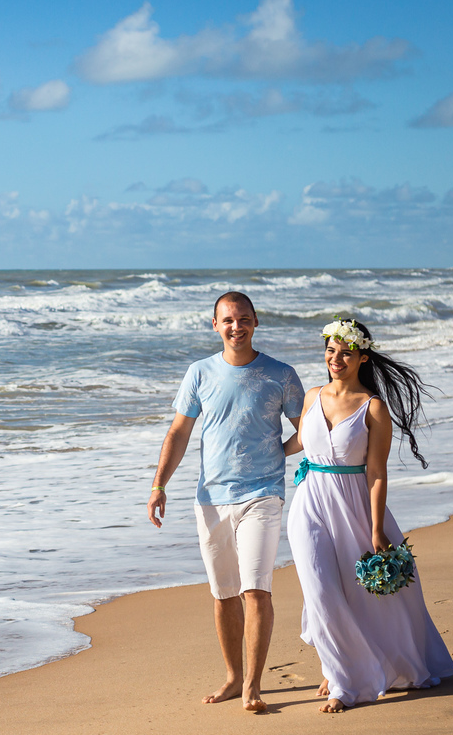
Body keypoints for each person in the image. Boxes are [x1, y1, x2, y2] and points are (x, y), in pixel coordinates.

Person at [284, 319, 453, 713]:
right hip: (309, 503)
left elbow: (377, 471)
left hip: (354, 505)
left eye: (346, 352)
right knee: (320, 590)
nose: (336, 359)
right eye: (330, 350)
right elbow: (301, 441)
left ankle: (346, 677)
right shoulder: (312, 396)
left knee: (362, 595)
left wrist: (377, 529)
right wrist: (260, 456)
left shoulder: (372, 407)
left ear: (362, 357)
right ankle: (341, 675)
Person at [147, 291, 304, 712]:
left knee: (256, 590)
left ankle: (253, 685)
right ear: (215, 325)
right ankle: (234, 677)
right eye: (228, 320)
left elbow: (308, 429)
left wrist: (278, 453)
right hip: (211, 498)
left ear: (256, 322)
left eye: (244, 318)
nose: (237, 326)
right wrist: (159, 484)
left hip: (263, 494)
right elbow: (179, 433)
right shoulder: (199, 373)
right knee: (223, 594)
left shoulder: (281, 374)